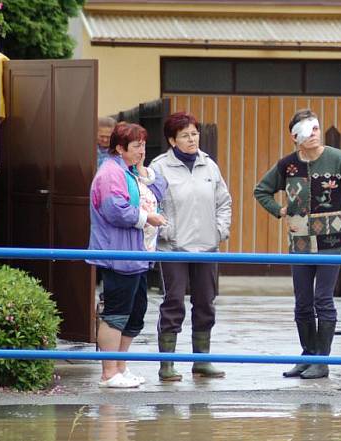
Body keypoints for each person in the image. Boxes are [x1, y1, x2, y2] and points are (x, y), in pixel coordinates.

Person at [254, 109, 341, 380]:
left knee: (323, 298)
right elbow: (261, 190)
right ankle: (308, 355)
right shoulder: (288, 164)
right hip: (299, 242)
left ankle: (322, 361)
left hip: (331, 242)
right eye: (306, 130)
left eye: (315, 129)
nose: (312, 135)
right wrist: (279, 210)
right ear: (294, 136)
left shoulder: (337, 159)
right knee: (302, 302)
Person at [150, 112, 232, 382]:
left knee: (205, 303)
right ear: (172, 140)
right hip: (173, 248)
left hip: (206, 247)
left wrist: (220, 230)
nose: (191, 139)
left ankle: (202, 360)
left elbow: (224, 202)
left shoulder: (209, 165)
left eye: (194, 133)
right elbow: (150, 204)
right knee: (173, 303)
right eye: (184, 135)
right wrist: (165, 230)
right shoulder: (160, 167)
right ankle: (167, 364)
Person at [87, 122, 167, 388]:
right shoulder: (111, 172)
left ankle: (120, 367)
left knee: (136, 311)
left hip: (137, 254)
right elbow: (115, 209)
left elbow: (158, 190)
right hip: (119, 252)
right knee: (116, 313)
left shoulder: (131, 171)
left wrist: (143, 171)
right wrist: (147, 217)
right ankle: (109, 372)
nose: (141, 151)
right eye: (136, 146)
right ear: (120, 148)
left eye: (143, 145)